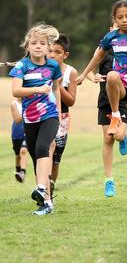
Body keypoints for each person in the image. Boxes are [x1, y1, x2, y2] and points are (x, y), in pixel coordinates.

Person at [78, 0, 127, 195]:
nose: (124, 20)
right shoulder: (111, 37)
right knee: (112, 75)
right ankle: (115, 115)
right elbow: (97, 56)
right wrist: (83, 74)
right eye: (119, 17)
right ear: (114, 19)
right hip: (119, 87)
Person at [10, 24, 62, 216]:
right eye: (34, 43)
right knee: (36, 159)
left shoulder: (53, 66)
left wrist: (58, 112)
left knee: (42, 148)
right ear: (27, 46)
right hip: (30, 119)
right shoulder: (22, 66)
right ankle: (46, 202)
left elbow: (56, 88)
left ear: (48, 47)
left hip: (49, 115)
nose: (38, 46)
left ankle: (40, 187)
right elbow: (16, 91)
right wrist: (37, 89)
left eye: (42, 43)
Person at [47, 34, 77, 190]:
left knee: (56, 158)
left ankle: (50, 186)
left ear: (65, 55)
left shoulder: (70, 72)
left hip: (62, 119)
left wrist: (58, 84)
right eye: (50, 51)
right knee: (44, 154)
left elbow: (71, 101)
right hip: (42, 115)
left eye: (57, 52)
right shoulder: (41, 68)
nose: (52, 55)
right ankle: (42, 186)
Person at [10, 98, 28, 183]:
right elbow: (17, 120)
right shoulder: (14, 104)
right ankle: (18, 170)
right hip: (16, 134)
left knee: (23, 151)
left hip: (27, 132)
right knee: (17, 155)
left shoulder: (29, 102)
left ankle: (22, 172)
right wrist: (27, 109)